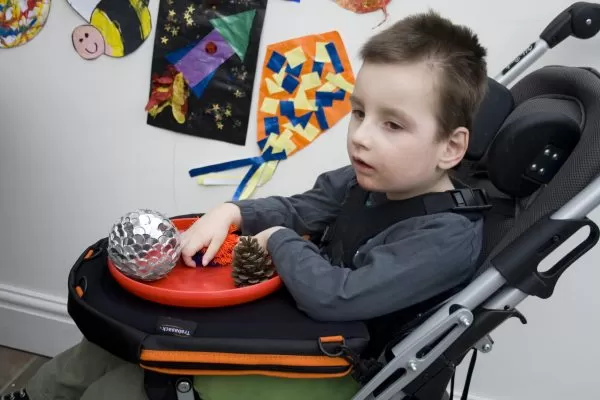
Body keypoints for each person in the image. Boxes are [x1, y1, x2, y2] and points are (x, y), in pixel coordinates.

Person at [2, 9, 488, 400]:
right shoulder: (366, 181)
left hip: (342, 373)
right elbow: (303, 208)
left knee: (126, 385)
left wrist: (276, 241)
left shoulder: (444, 236)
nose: (359, 137)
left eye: (393, 125)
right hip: (302, 333)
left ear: (451, 146)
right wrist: (233, 212)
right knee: (102, 349)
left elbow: (337, 296)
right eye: (359, 112)